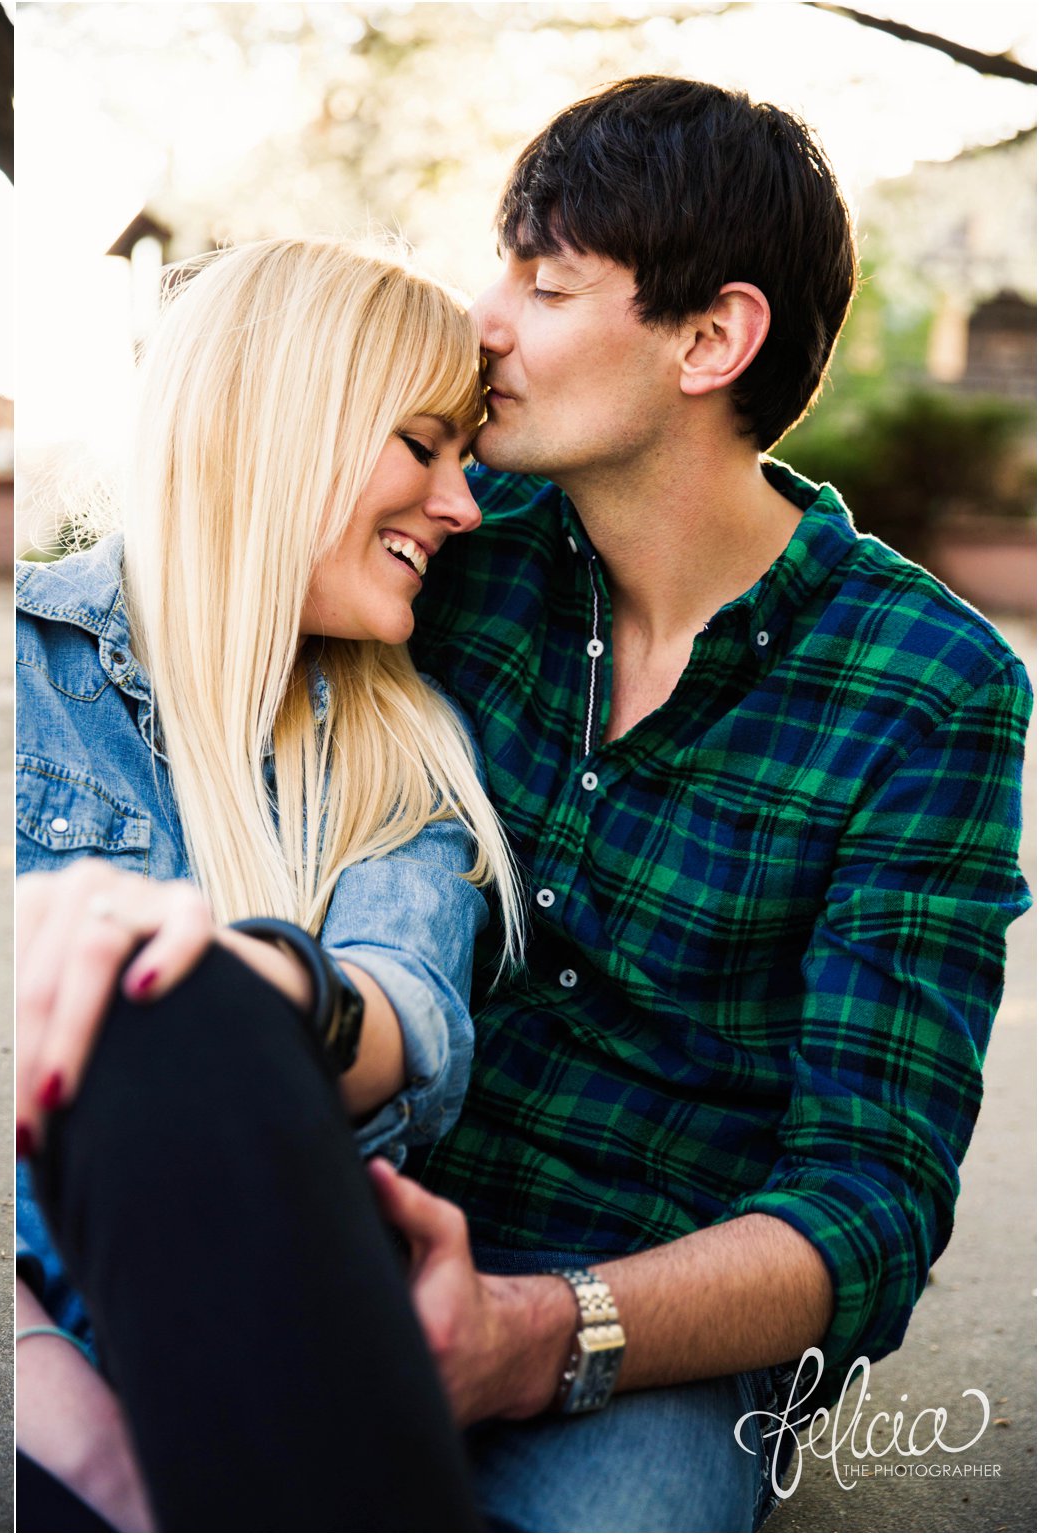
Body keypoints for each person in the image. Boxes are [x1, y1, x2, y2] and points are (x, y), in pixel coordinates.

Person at [372, 77, 1029, 1530]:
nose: (485, 320)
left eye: (543, 284)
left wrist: (542, 1328)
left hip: (654, 1307)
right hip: (368, 1207)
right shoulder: (454, 544)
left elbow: (873, 1198)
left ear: (714, 337)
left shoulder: (929, 685)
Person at [13, 238, 526, 1530]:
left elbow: (410, 1013)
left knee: (163, 990)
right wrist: (48, 1389)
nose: (462, 503)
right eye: (422, 443)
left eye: (465, 455)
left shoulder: (401, 742)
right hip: (36, 1358)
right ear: (279, 421)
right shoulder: (22, 661)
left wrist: (257, 984)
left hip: (271, 1331)